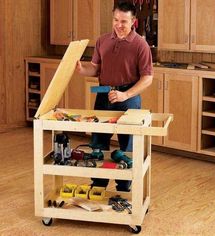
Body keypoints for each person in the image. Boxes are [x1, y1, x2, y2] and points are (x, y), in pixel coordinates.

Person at [76, 0, 153, 192]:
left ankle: (124, 187)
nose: (119, 25)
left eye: (124, 21)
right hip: (103, 93)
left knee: (127, 145)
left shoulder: (140, 45)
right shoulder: (102, 40)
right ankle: (98, 184)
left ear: (133, 21)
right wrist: (80, 69)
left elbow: (147, 78)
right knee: (98, 143)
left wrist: (125, 94)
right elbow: (95, 69)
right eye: (116, 20)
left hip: (129, 95)